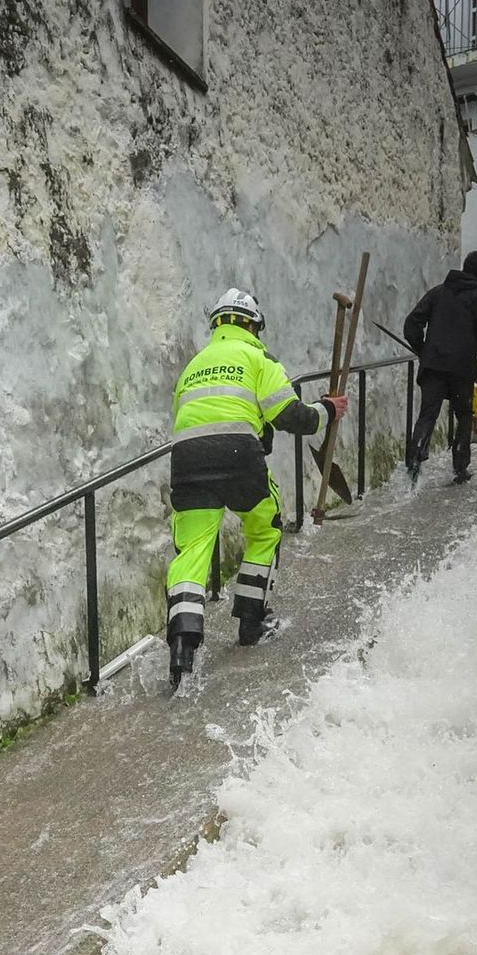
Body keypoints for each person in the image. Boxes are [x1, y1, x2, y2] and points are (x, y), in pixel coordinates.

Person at [166, 288, 346, 690]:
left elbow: (188, 415)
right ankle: (251, 622)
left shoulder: (193, 365)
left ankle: (182, 650)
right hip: (236, 453)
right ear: (252, 325)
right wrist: (327, 410)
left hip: (187, 459)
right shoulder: (257, 357)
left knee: (192, 551)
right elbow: (290, 415)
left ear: (217, 324)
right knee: (265, 528)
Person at [403, 250, 477, 485]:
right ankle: (460, 468)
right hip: (462, 368)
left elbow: (411, 325)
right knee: (463, 415)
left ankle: (413, 466)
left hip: (433, 367)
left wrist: (425, 352)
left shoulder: (438, 293)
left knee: (427, 414)